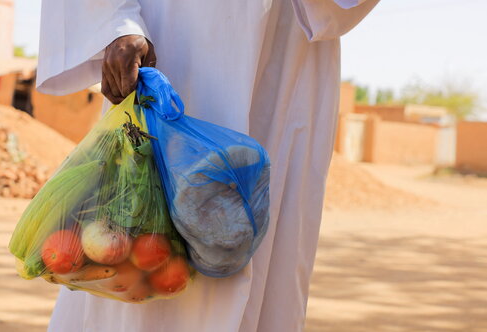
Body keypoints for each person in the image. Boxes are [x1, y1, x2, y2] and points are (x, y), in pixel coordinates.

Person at [36, 0, 378, 331]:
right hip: (168, 33)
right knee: (139, 225)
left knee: (266, 246)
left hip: (285, 43)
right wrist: (115, 22)